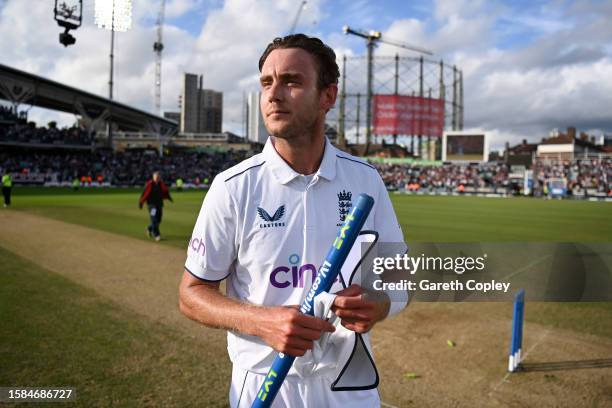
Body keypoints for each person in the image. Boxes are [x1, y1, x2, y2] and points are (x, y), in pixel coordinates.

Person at [179, 34, 408, 407]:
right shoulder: (233, 186)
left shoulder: (365, 179)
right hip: (265, 384)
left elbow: (399, 276)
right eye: (267, 82)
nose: (273, 94)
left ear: (327, 96)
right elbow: (191, 294)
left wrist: (380, 302)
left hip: (349, 386)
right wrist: (262, 322)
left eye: (292, 81)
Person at [139, 171, 172, 241]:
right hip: (152, 206)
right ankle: (157, 234)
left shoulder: (161, 184)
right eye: (156, 177)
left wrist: (169, 198)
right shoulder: (149, 184)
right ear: (153, 177)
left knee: (159, 220)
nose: (157, 178)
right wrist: (141, 203)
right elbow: (144, 194)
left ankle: (149, 228)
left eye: (158, 177)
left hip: (159, 204)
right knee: (154, 219)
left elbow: (165, 191)